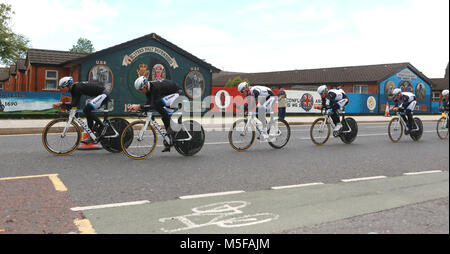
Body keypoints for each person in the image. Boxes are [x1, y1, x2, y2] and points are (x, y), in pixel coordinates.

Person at [127, 76, 183, 152]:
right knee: (164, 116)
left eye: (141, 89)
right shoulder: (148, 89)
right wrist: (140, 108)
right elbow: (148, 103)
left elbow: (153, 105)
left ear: (145, 85)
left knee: (158, 106)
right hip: (171, 94)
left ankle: (170, 133)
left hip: (177, 93)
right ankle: (170, 139)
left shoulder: (155, 88)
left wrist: (139, 106)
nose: (140, 91)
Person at [52, 76, 110, 144]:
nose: (61, 89)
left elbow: (73, 104)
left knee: (87, 109)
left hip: (103, 94)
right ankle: (93, 135)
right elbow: (74, 104)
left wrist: (61, 103)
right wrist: (66, 107)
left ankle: (102, 126)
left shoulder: (76, 88)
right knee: (87, 111)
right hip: (101, 94)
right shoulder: (73, 89)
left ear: (67, 85)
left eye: (62, 87)